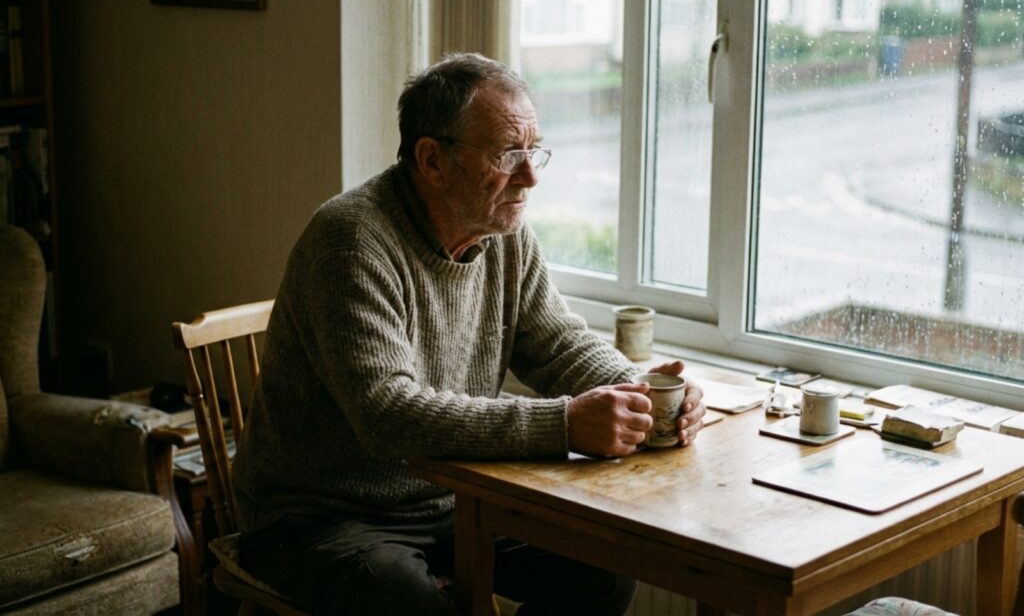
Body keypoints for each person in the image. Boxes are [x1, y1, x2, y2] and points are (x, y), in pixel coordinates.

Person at [231, 52, 706, 615]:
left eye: (534, 151)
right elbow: (387, 414)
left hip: (454, 499)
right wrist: (564, 424)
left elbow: (556, 343)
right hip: (318, 516)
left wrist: (639, 392)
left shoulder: (503, 231)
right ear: (432, 160)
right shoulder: (352, 241)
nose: (530, 175)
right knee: (408, 601)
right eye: (508, 154)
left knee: (602, 567)